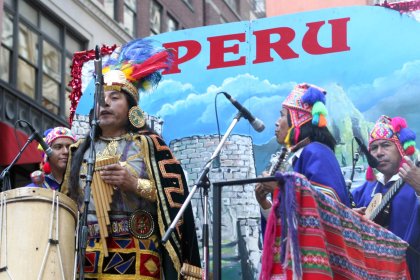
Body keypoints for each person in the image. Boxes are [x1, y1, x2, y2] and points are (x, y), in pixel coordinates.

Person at [62, 39, 200, 279]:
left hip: (139, 256)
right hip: (86, 258)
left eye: (115, 97)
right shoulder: (79, 151)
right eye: (101, 98)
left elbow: (174, 202)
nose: (104, 102)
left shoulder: (150, 145)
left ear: (131, 108)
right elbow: (66, 205)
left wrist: (134, 184)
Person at [255, 83, 352, 228]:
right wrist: (265, 204)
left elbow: (328, 211)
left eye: (282, 115)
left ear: (296, 120)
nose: (276, 122)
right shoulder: (300, 157)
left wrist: (279, 188)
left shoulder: (317, 153)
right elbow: (291, 228)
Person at [352, 115, 420, 279]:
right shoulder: (366, 189)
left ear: (401, 149)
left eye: (386, 145)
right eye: (374, 148)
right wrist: (350, 215)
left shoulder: (415, 182)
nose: (379, 153)